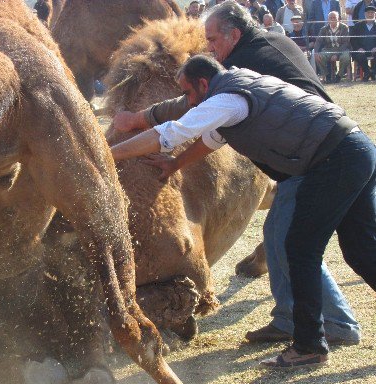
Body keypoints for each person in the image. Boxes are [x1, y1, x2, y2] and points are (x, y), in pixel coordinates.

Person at [112, 1, 361, 348]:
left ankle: (327, 322)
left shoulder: (237, 76)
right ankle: (305, 319)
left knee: (292, 240)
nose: (208, 47)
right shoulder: (268, 49)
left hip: (323, 157)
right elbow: (214, 137)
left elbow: (178, 124)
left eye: (212, 40)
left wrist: (116, 145)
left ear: (234, 35)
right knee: (348, 245)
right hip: (331, 149)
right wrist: (176, 164)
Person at [314, 11, 351, 83]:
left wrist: (336, 54)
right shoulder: (324, 29)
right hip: (328, 49)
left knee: (346, 57)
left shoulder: (344, 28)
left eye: (334, 17)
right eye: (330, 18)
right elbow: (318, 41)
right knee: (319, 57)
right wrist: (315, 52)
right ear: (328, 19)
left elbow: (346, 43)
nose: (332, 19)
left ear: (338, 19)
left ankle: (339, 76)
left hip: (342, 49)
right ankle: (327, 76)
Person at [350, 5, 376, 80]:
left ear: (375, 14)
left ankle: (373, 72)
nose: (370, 15)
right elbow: (353, 39)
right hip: (362, 50)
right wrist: (358, 48)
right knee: (358, 55)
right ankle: (368, 72)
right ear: (365, 14)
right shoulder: (358, 25)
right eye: (368, 13)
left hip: (374, 50)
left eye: (372, 13)